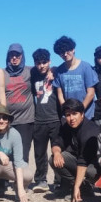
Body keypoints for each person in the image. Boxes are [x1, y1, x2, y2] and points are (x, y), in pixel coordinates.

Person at [50, 99, 100, 202]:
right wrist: (57, 153)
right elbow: (57, 143)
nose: (71, 118)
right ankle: (83, 187)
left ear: (82, 114)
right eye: (68, 115)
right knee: (53, 159)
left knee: (90, 171)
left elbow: (83, 161)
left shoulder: (89, 131)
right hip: (79, 161)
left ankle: (82, 186)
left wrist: (76, 187)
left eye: (74, 114)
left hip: (95, 165)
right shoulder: (67, 126)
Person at [30, 48, 59, 193]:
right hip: (39, 119)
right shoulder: (33, 74)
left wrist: (53, 70)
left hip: (55, 119)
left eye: (44, 62)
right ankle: (41, 180)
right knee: (39, 152)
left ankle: (60, 181)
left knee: (58, 151)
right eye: (38, 63)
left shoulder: (57, 72)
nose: (41, 66)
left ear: (49, 61)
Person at [4, 43, 35, 169]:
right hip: (7, 119)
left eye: (17, 55)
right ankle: (5, 178)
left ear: (22, 56)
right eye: (12, 55)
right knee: (7, 150)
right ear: (8, 57)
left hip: (26, 119)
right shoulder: (2, 73)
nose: (15, 58)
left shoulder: (30, 71)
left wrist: (52, 71)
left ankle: (23, 180)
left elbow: (45, 68)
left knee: (23, 151)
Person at [52, 36, 98, 119]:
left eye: (67, 51)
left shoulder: (86, 67)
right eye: (62, 53)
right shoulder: (59, 71)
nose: (65, 54)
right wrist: (67, 113)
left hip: (86, 115)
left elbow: (91, 93)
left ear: (73, 49)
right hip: (69, 117)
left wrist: (80, 111)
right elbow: (60, 95)